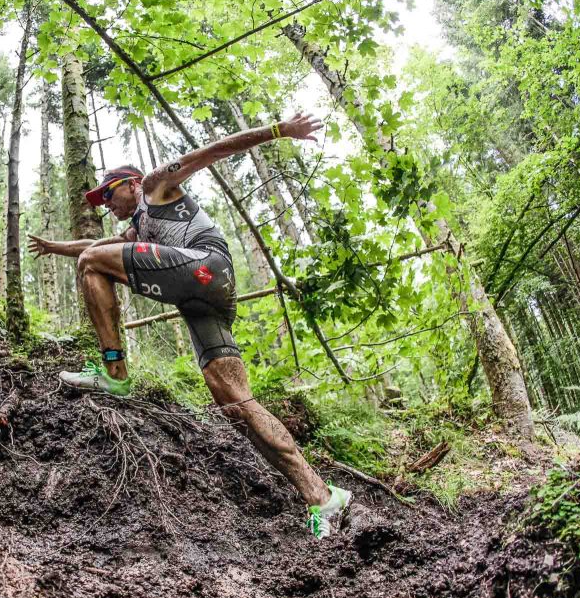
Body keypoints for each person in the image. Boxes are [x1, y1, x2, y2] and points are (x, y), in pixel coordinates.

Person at [27, 112, 352, 538]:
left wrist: (280, 130)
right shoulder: (136, 230)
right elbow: (94, 246)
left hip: (207, 265)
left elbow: (212, 152)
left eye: (108, 194)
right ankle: (323, 497)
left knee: (92, 263)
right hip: (207, 298)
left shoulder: (155, 186)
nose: (105, 204)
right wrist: (54, 247)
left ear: (130, 183)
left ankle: (115, 374)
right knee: (236, 404)